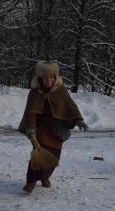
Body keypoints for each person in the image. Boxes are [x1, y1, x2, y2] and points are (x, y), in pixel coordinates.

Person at [18, 61, 88, 193]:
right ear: (40, 78)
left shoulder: (60, 90)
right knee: (39, 151)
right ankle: (31, 181)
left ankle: (44, 177)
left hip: (57, 128)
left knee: (54, 155)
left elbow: (70, 106)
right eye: (45, 78)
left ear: (55, 77)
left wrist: (79, 120)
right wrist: (31, 127)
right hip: (40, 127)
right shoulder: (35, 92)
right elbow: (31, 111)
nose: (48, 81)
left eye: (51, 77)